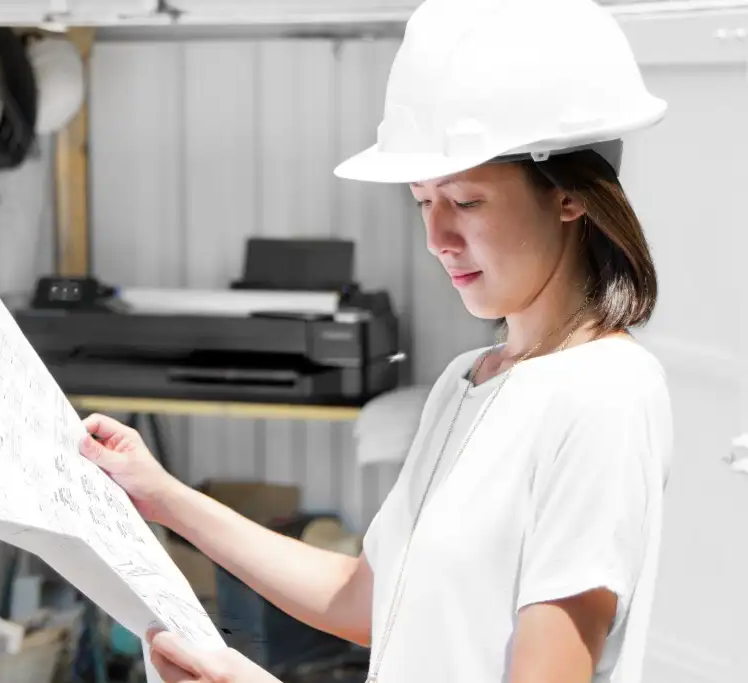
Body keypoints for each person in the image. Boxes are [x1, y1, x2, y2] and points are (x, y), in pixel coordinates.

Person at [78, 0, 675, 681]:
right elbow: (367, 597)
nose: (437, 238)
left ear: (571, 196)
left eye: (466, 200)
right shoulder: (467, 381)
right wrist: (160, 494)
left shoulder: (604, 397)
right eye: (423, 201)